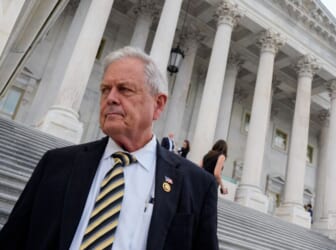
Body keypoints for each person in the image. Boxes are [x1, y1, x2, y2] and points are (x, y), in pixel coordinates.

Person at [0, 47, 219, 250]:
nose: (111, 98)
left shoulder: (197, 186)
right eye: (105, 89)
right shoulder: (56, 164)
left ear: (158, 104)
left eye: (125, 89)